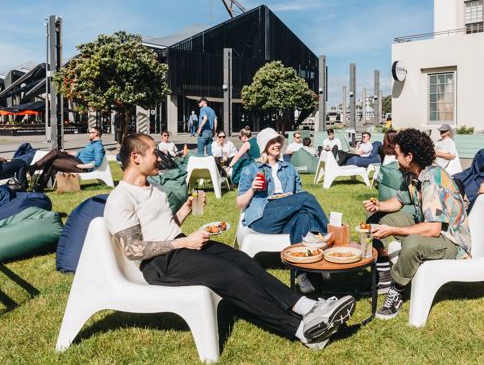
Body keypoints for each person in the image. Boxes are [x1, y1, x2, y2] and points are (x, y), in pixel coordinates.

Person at [104, 133, 356, 350]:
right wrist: (184, 243)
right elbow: (133, 249)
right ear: (136, 158)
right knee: (230, 274)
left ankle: (306, 306)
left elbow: (162, 227)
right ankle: (301, 329)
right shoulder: (121, 198)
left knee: (242, 260)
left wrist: (183, 212)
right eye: (152, 152)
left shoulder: (154, 187)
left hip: (179, 247)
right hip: (158, 264)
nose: (158, 156)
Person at [363, 128, 471, 320]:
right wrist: (378, 205)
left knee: (412, 243)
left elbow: (434, 228)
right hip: (429, 226)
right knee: (377, 220)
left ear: (409, 156)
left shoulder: (433, 179)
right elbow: (399, 201)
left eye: (398, 155)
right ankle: (384, 276)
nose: (396, 159)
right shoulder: (413, 174)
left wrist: (394, 230)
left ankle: (396, 290)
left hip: (451, 242)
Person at [237, 128, 329, 294]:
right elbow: (240, 203)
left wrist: (290, 198)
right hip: (263, 216)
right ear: (264, 145)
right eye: (272, 141)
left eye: (278, 141)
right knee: (307, 198)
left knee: (304, 216)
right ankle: (329, 238)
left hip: (286, 213)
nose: (277, 144)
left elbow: (298, 195)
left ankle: (301, 274)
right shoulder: (251, 169)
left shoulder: (289, 168)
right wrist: (252, 189)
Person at [30, 126, 105, 191]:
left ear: (96, 134)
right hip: (77, 161)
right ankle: (39, 185)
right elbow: (80, 154)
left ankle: (35, 169)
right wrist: (67, 153)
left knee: (55, 154)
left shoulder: (98, 146)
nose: (88, 134)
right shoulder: (91, 144)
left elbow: (98, 162)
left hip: (82, 166)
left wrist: (83, 166)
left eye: (90, 132)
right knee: (54, 156)